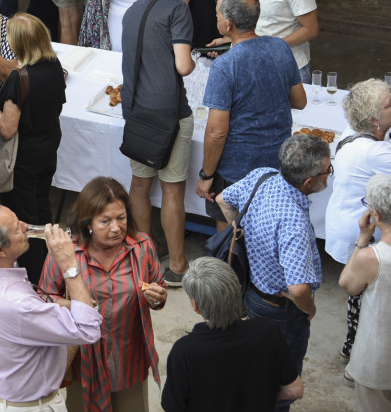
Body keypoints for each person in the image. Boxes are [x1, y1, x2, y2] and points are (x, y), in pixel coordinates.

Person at [0, 202, 104, 412]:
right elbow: (88, 329)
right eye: (16, 228)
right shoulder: (17, 304)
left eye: (17, 219)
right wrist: (69, 266)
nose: (25, 226)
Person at [215, 134, 329, 412]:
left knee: (260, 364)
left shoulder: (262, 175)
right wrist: (309, 308)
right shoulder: (294, 222)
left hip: (253, 294)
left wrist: (244, 236)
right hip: (283, 312)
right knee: (283, 383)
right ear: (308, 182)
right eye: (328, 170)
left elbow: (222, 199)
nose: (329, 175)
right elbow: (299, 289)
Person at [39, 176, 168, 412]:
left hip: (129, 360)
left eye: (121, 218)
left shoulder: (142, 248)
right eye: (105, 221)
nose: (116, 228)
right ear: (88, 223)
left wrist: (158, 297)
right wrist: (73, 305)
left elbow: (158, 288)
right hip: (83, 363)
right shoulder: (66, 252)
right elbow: (44, 299)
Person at [196, 0, 308, 227]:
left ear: (228, 25)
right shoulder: (280, 48)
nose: (215, 17)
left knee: (231, 240)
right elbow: (300, 101)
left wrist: (206, 175)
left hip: (237, 169)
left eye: (217, 14)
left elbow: (217, 132)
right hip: (277, 163)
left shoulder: (225, 66)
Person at [120, 0, 195, 286]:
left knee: (139, 183)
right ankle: (177, 266)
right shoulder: (179, 9)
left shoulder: (134, 9)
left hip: (135, 108)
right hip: (169, 113)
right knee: (172, 190)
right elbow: (182, 66)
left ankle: (144, 255)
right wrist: (195, 59)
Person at [0, 13, 65, 282]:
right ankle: (51, 268)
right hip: (48, 149)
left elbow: (7, 128)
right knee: (43, 209)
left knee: (23, 221)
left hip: (22, 159)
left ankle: (33, 277)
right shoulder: (54, 65)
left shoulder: (20, 78)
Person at [161, 257, 303, 412]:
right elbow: (295, 390)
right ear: (238, 289)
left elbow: (173, 407)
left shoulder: (184, 351)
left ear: (195, 306)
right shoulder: (267, 330)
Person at [326, 79, 391, 369]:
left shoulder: (355, 129)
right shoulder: (372, 152)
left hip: (346, 219)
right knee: (365, 297)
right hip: (360, 228)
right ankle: (355, 355)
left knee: (362, 294)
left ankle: (351, 348)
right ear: (374, 119)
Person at [339, 174, 391, 409]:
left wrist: (363, 238)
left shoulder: (372, 257)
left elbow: (347, 284)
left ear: (376, 215)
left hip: (378, 356)